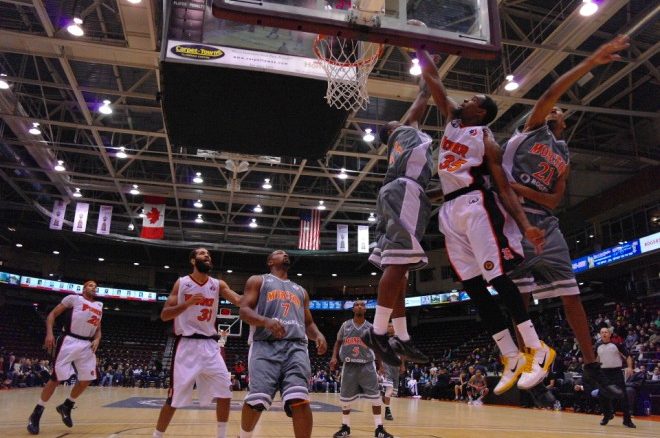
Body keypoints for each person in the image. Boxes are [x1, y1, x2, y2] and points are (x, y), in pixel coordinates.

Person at [501, 35, 630, 401]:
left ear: (564, 124)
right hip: (514, 218)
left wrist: (524, 190)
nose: (556, 112)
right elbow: (551, 93)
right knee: (519, 295)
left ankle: (590, 363)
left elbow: (555, 199)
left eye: (559, 112)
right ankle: (527, 356)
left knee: (571, 294)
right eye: (554, 110)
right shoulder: (532, 129)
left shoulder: (564, 153)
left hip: (545, 221)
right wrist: (591, 61)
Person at [418, 48, 554, 394]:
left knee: (497, 278)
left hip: (475, 205)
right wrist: (418, 46)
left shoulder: (486, 140)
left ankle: (537, 348)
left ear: (481, 111)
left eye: (473, 98)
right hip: (448, 212)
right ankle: (510, 355)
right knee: (473, 287)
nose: (464, 99)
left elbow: (505, 189)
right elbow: (433, 78)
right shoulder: (451, 119)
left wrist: (525, 226)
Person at [365, 78, 434, 366]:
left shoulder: (404, 141)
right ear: (392, 131)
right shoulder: (402, 134)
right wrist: (427, 77)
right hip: (404, 191)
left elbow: (421, 102)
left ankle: (402, 337)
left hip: (404, 193)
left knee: (400, 271)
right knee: (398, 264)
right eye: (398, 122)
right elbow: (419, 105)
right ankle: (378, 332)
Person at [152, 248, 241, 438]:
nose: (207, 256)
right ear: (193, 261)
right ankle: (157, 436)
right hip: (187, 345)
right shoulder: (182, 283)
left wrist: (257, 297)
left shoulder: (218, 284)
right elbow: (164, 314)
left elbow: (239, 300)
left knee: (225, 391)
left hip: (210, 345)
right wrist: (187, 303)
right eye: (202, 254)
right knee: (173, 398)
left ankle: (221, 436)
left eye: (208, 254)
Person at [238, 250, 327, 438]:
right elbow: (244, 311)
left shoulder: (300, 290)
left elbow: (308, 322)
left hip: (296, 347)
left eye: (286, 254)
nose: (285, 255)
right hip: (265, 345)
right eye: (279, 253)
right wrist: (265, 321)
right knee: (256, 401)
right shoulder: (259, 281)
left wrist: (318, 335)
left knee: (300, 399)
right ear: (270, 261)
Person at [27, 280, 103, 435]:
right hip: (69, 340)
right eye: (90, 285)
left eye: (95, 286)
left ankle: (66, 406)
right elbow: (52, 314)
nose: (94, 288)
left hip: (87, 344)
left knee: (87, 378)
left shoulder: (99, 306)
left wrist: (97, 339)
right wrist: (49, 333)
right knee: (56, 379)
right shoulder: (73, 299)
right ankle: (36, 413)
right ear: (83, 288)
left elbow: (98, 328)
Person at [330, 301, 394, 438]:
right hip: (349, 365)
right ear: (353, 309)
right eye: (357, 305)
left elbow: (377, 347)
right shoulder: (345, 325)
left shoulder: (371, 327)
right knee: (345, 400)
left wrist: (380, 365)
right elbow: (338, 342)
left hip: (367, 366)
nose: (359, 306)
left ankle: (379, 429)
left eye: (362, 305)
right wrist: (334, 357)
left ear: (365, 309)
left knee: (376, 398)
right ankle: (345, 427)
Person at [597, 327, 636, 428]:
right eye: (602, 332)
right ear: (600, 335)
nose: (604, 334)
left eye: (606, 332)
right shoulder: (597, 346)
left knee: (623, 396)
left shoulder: (616, 344)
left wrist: (630, 367)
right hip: (603, 373)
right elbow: (595, 360)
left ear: (609, 334)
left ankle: (627, 420)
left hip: (616, 372)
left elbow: (628, 356)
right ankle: (607, 416)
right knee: (603, 396)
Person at [380, 323, 403, 420]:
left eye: (392, 326)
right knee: (389, 391)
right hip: (386, 366)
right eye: (389, 326)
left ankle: (384, 395)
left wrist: (402, 365)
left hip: (396, 367)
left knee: (393, 392)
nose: (391, 327)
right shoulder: (383, 339)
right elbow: (379, 353)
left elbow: (402, 353)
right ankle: (387, 411)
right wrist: (380, 366)